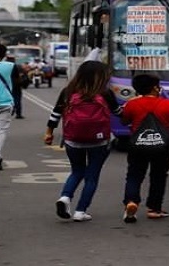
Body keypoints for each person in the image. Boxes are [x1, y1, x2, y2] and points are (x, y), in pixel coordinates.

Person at [43, 61, 121, 222]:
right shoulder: (105, 93)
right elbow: (119, 113)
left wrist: (49, 133)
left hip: (73, 140)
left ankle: (65, 197)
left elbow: (55, 114)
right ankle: (81, 211)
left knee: (77, 171)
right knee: (92, 177)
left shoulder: (68, 91)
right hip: (99, 141)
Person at [120, 74, 169, 223]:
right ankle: (154, 209)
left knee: (134, 175)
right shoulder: (168, 104)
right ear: (155, 88)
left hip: (138, 145)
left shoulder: (131, 104)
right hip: (162, 146)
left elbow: (124, 121)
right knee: (159, 176)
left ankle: (131, 202)